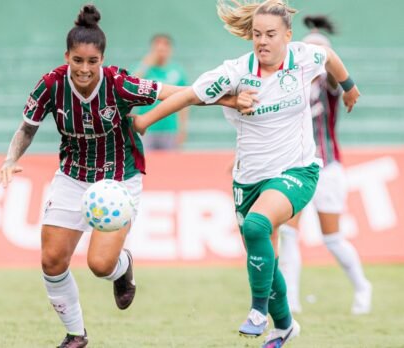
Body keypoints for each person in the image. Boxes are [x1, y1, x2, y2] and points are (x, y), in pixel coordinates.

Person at [0, 5, 241, 347]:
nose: (84, 69)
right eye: (77, 60)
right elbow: (27, 128)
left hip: (119, 180)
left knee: (99, 264)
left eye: (92, 62)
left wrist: (231, 100)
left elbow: (176, 93)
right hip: (72, 176)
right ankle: (76, 334)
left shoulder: (118, 84)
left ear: (101, 60)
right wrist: (10, 158)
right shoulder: (50, 85)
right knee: (51, 260)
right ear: (67, 57)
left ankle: (122, 268)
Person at [132, 1, 360, 346]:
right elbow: (189, 95)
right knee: (266, 262)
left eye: (270, 34)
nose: (262, 41)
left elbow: (330, 59)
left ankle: (256, 311)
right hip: (248, 178)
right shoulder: (235, 73)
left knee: (257, 225)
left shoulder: (304, 57)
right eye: (256, 34)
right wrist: (144, 121)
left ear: (288, 35)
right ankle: (284, 326)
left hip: (298, 170)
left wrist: (349, 86)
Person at [278, 15, 373, 316]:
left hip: (327, 166)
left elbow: (334, 73)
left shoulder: (330, 83)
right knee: (288, 234)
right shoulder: (288, 84)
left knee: (332, 238)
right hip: (295, 166)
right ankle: (290, 300)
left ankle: (361, 286)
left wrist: (328, 58)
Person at [133, 34, 190, 150]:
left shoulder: (178, 71)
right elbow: (130, 87)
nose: (161, 51)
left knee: (170, 165)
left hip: (170, 129)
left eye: (165, 48)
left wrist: (182, 128)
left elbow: (185, 102)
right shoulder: (142, 69)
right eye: (158, 48)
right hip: (146, 128)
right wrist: (145, 65)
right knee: (145, 164)